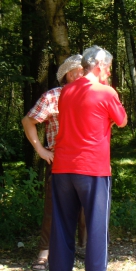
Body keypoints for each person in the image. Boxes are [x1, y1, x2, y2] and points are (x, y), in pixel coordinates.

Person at [49, 45, 127, 271]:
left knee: (62, 226)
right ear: (100, 66)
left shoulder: (66, 91)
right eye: (109, 68)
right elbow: (121, 121)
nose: (110, 73)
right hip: (92, 168)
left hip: (63, 167)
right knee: (96, 228)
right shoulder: (106, 91)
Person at [22, 55, 87, 271]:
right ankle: (44, 252)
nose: (86, 73)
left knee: (87, 208)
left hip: (88, 160)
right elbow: (28, 120)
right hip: (59, 160)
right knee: (54, 207)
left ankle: (87, 248)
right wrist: (40, 149)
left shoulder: (94, 94)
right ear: (70, 74)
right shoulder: (53, 96)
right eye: (81, 69)